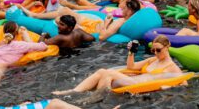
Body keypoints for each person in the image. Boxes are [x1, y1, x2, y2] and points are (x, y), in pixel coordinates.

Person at [54, 35, 183, 94]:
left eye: (158, 50)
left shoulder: (172, 67)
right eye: (153, 50)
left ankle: (91, 99)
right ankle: (74, 91)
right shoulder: (152, 60)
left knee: (108, 73)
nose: (155, 53)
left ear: (167, 47)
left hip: (139, 85)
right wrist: (131, 52)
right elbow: (131, 67)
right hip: (133, 80)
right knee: (102, 71)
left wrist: (166, 87)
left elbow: (183, 82)